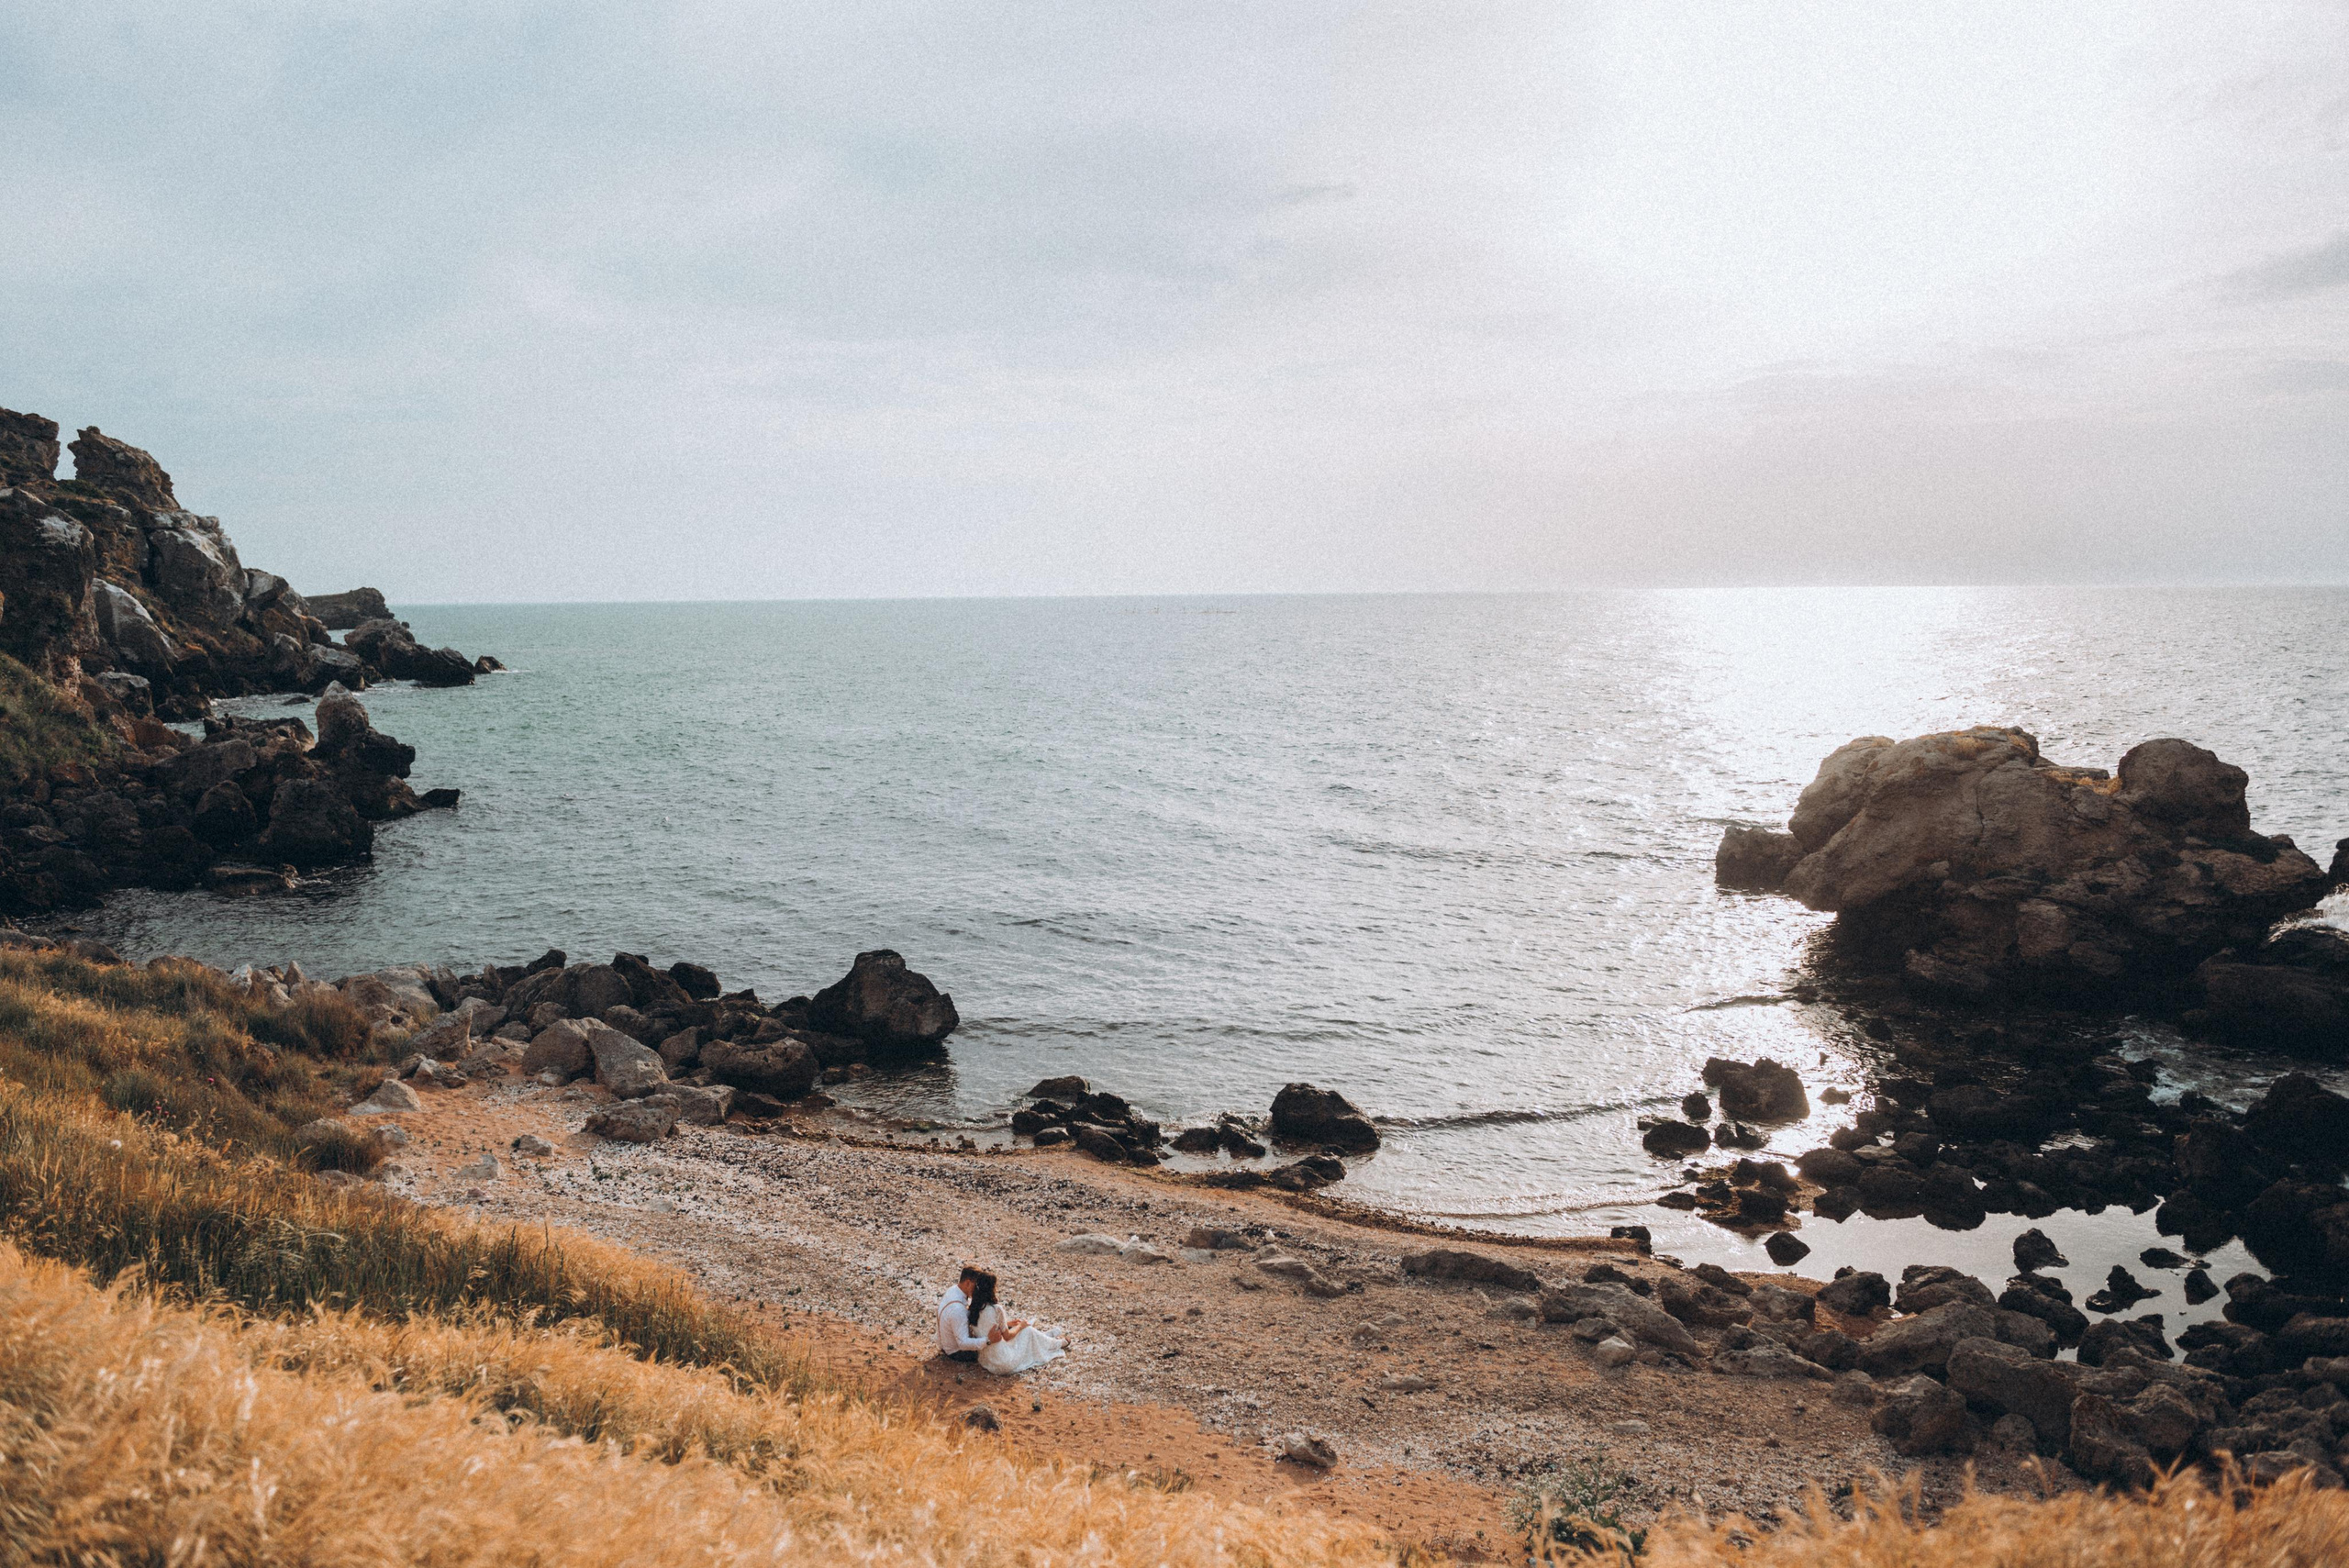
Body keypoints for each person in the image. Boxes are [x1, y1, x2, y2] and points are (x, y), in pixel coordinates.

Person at [967, 1269, 1069, 1376]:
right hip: (1004, 1362)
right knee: (1027, 1330)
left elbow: (986, 1325)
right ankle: (1057, 1344)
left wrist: (1008, 1324)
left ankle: (1045, 1337)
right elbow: (1007, 1337)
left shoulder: (972, 1309)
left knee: (1022, 1331)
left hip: (987, 1361)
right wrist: (1020, 1326)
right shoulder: (996, 1309)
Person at [937, 1265, 988, 1362]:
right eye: (976, 1285)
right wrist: (988, 1341)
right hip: (955, 1351)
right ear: (968, 1283)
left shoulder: (952, 1290)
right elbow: (963, 1344)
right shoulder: (958, 1310)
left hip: (944, 1342)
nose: (977, 1289)